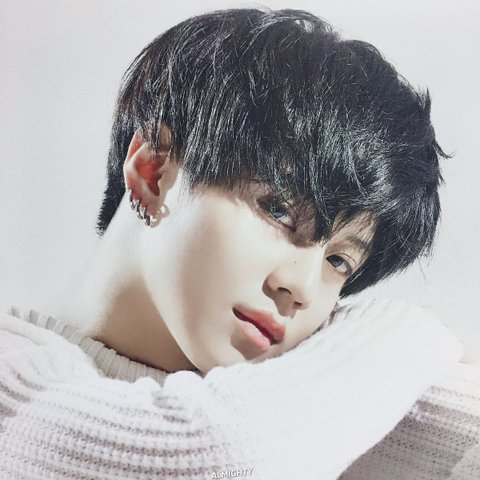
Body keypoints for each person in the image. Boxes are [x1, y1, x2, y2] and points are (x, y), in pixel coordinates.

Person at [1, 8, 479, 480]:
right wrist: (410, 335)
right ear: (153, 171)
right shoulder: (15, 376)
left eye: (338, 260)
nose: (301, 287)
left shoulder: (309, 417)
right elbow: (207, 456)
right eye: (278, 210)